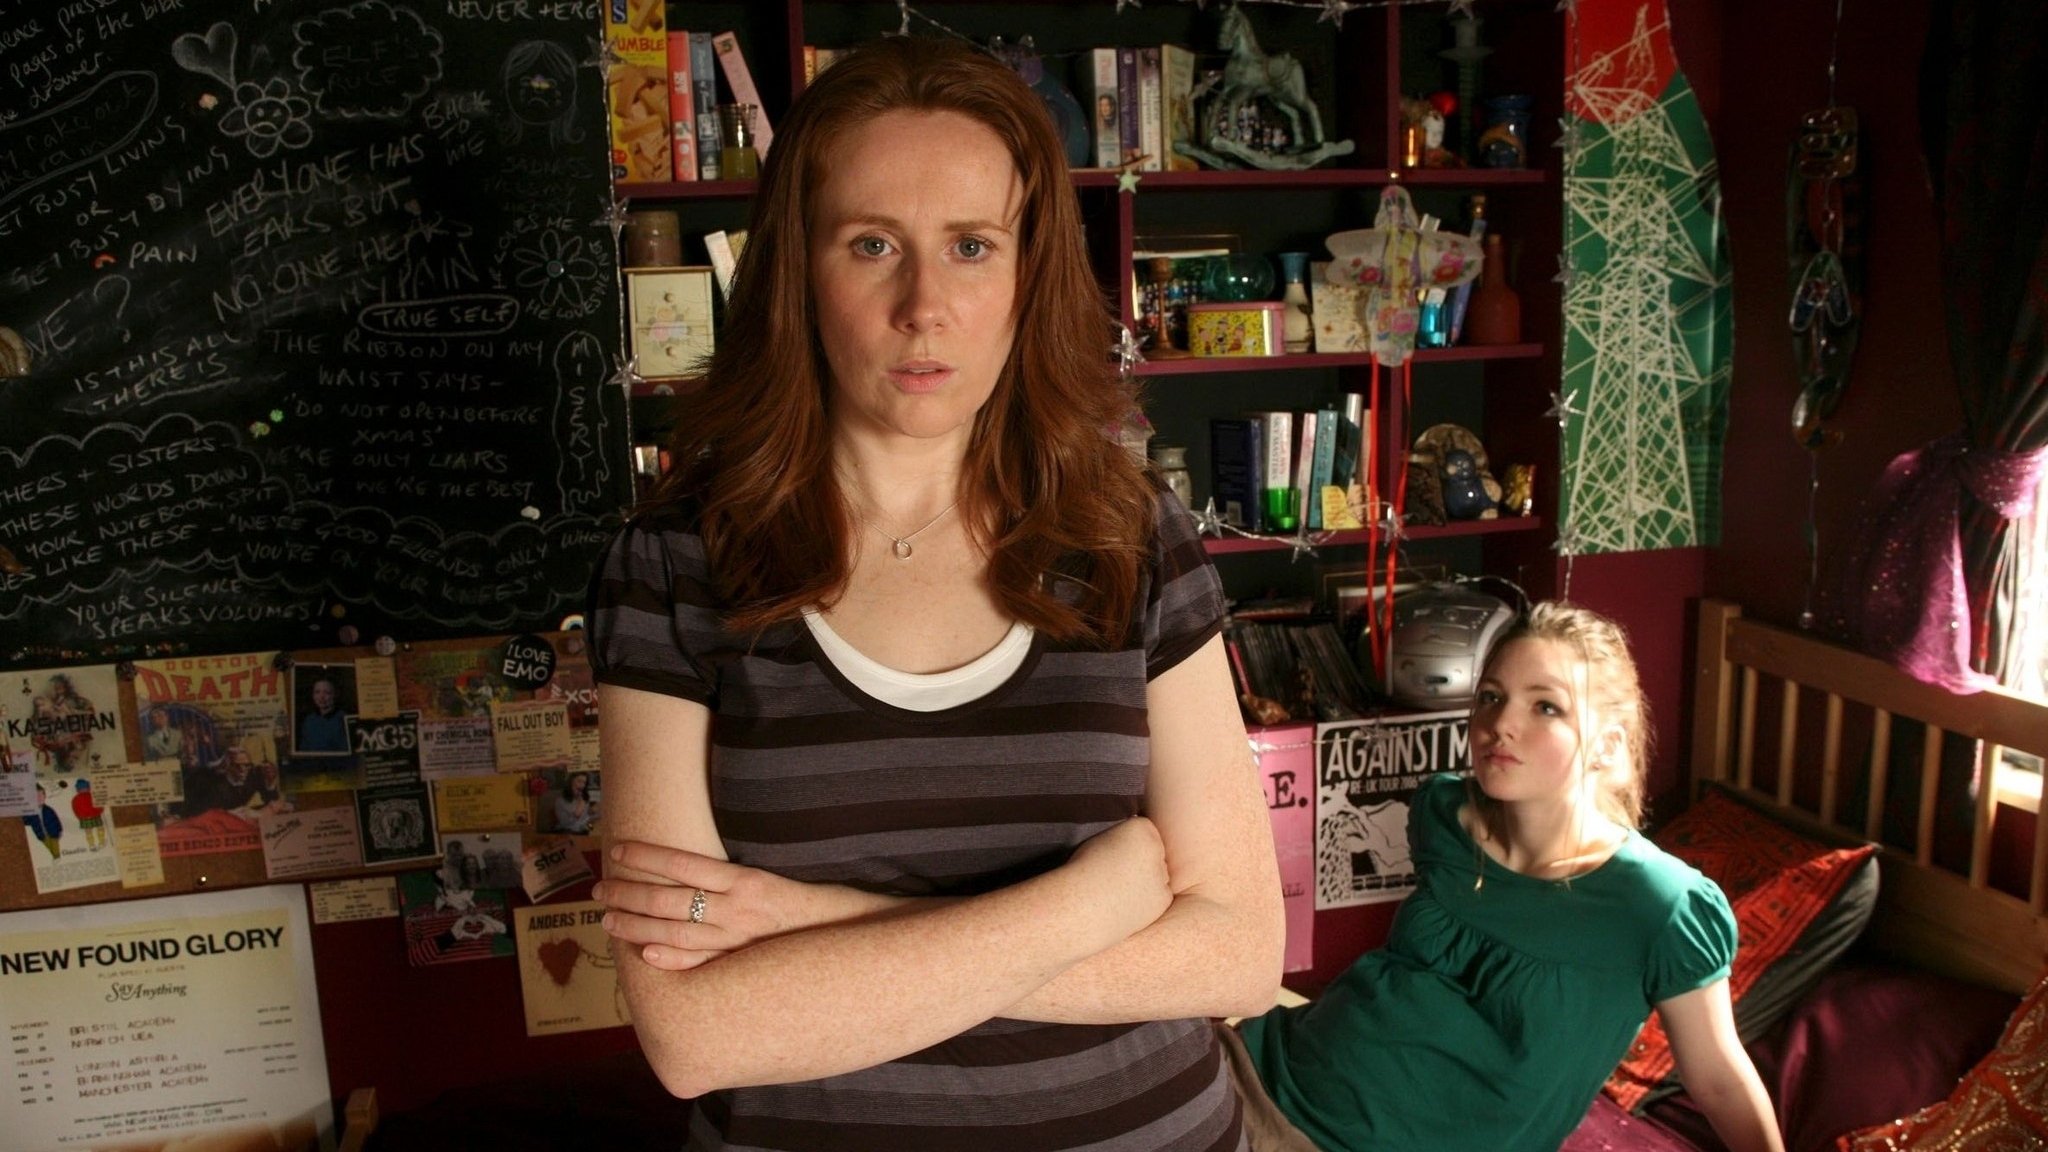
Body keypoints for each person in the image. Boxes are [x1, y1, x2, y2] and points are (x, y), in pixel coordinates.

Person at [584, 35, 1282, 1151]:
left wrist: (827, 923)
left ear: (1027, 274)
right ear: (797, 272)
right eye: (871, 245)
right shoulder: (675, 564)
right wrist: (1091, 902)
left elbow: (1237, 957)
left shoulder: (1127, 535)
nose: (925, 305)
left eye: (970, 246)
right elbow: (697, 1035)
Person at [1221, 603, 1785, 1152]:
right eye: (1491, 697)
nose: (1500, 725)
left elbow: (1719, 1081)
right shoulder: (1443, 813)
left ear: (1606, 745)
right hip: (1261, 1066)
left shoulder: (1662, 906)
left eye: (1546, 707)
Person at [297, 676, 348, 754]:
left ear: (335, 694)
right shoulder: (309, 721)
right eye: (317, 692)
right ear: (313, 695)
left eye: (327, 692)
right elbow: (303, 751)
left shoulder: (344, 720)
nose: (321, 697)